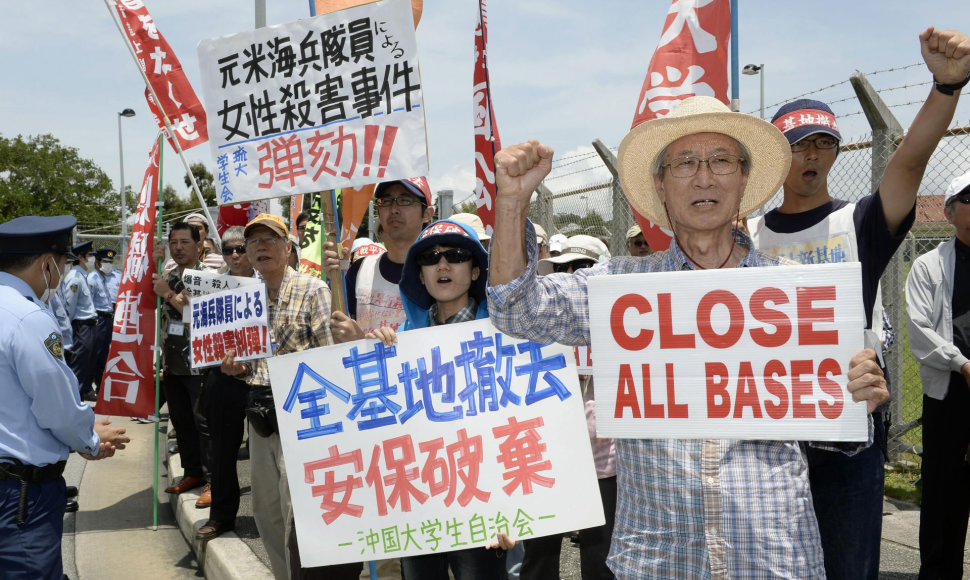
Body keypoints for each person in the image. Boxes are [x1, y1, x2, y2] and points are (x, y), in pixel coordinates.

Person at [486, 96, 890, 577]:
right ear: (660, 184)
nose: (704, 177)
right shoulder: (619, 288)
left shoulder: (797, 292)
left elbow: (838, 438)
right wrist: (511, 203)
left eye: (721, 161)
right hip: (658, 559)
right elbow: (514, 307)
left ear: (743, 179)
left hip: (773, 558)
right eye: (684, 163)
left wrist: (855, 396)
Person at [746, 28, 970, 579]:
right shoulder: (746, 235)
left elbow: (910, 164)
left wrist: (947, 87)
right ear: (775, 156)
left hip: (849, 424)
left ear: (836, 151)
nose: (811, 155)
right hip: (769, 428)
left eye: (823, 143)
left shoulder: (862, 221)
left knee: (849, 567)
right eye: (797, 145)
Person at [366, 218, 514, 578]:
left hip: (485, 505)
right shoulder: (398, 341)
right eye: (430, 258)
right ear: (418, 274)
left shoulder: (508, 335)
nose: (442, 264)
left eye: (456, 255)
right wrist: (373, 357)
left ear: (477, 269)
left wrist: (518, 510)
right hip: (420, 506)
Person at [221, 214, 361, 580]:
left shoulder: (313, 289)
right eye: (253, 242)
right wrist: (237, 368)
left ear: (288, 248)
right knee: (267, 514)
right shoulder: (242, 296)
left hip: (300, 418)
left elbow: (329, 357)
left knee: (295, 514)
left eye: (270, 239)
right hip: (258, 416)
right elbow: (249, 361)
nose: (260, 247)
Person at [0, 215, 129, 579]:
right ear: (47, 263)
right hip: (19, 496)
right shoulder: (27, 317)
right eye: (63, 262)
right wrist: (89, 439)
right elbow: (56, 408)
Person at [525, 234, 617, 580]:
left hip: (603, 463)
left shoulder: (626, 321)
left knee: (598, 557)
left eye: (581, 267)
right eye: (562, 268)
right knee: (539, 555)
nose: (571, 275)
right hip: (547, 458)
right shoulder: (539, 323)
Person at [906, 171, 970, 578]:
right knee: (945, 497)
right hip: (951, 394)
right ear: (949, 212)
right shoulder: (930, 266)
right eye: (969, 199)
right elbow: (918, 329)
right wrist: (961, 363)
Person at [196, 226, 254, 541]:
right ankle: (221, 516)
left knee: (274, 452)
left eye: (240, 249)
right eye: (228, 249)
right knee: (222, 450)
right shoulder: (211, 286)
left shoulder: (269, 283)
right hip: (222, 375)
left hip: (262, 379)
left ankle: (283, 518)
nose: (234, 255)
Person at [325, 177, 434, 341]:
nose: (394, 209)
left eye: (404, 200)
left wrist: (360, 339)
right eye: (387, 201)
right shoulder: (361, 269)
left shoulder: (439, 271)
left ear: (427, 214)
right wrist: (334, 279)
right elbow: (339, 335)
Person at [152, 222, 211, 504]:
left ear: (199, 245)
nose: (178, 247)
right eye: (174, 242)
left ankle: (213, 480)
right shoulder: (168, 273)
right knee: (182, 421)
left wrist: (167, 292)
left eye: (185, 242)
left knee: (204, 423)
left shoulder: (208, 276)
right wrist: (153, 265)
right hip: (173, 363)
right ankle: (192, 472)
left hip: (198, 363)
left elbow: (196, 314)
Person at [60, 240, 98, 401]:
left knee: (87, 364)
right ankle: (74, 399)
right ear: (81, 257)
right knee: (79, 365)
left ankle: (81, 394)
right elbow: (69, 308)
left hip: (89, 326)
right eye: (90, 255)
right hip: (81, 327)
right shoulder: (75, 278)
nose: (92, 259)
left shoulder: (83, 275)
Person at [88, 248, 117, 397]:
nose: (108, 264)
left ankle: (101, 386)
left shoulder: (104, 277)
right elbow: (89, 302)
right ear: (98, 262)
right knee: (97, 354)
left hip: (108, 318)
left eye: (110, 262)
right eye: (105, 261)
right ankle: (92, 386)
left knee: (104, 354)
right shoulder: (93, 278)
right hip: (98, 319)